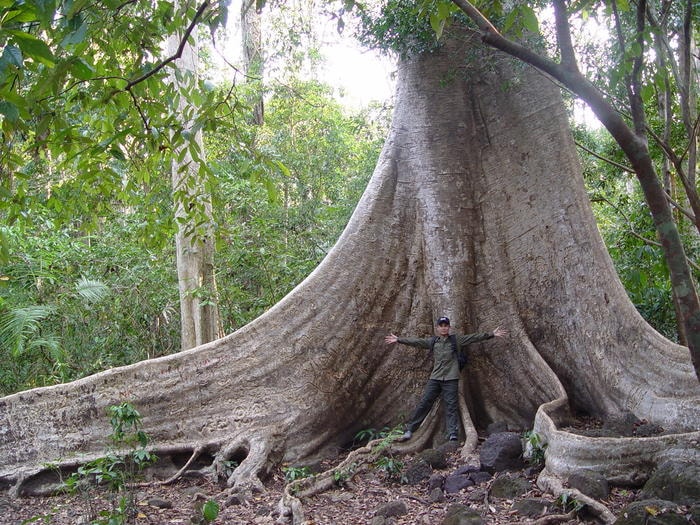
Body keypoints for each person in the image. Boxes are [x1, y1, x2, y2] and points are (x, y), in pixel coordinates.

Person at [385, 316, 508, 442]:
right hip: (435, 378)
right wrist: (399, 339)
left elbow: (474, 337)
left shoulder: (456, 340)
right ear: (437, 328)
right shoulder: (433, 342)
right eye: (441, 326)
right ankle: (410, 429)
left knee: (451, 406)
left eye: (446, 326)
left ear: (449, 327)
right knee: (425, 402)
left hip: (451, 378)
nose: (443, 328)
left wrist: (492, 334)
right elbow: (417, 342)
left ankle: (452, 434)